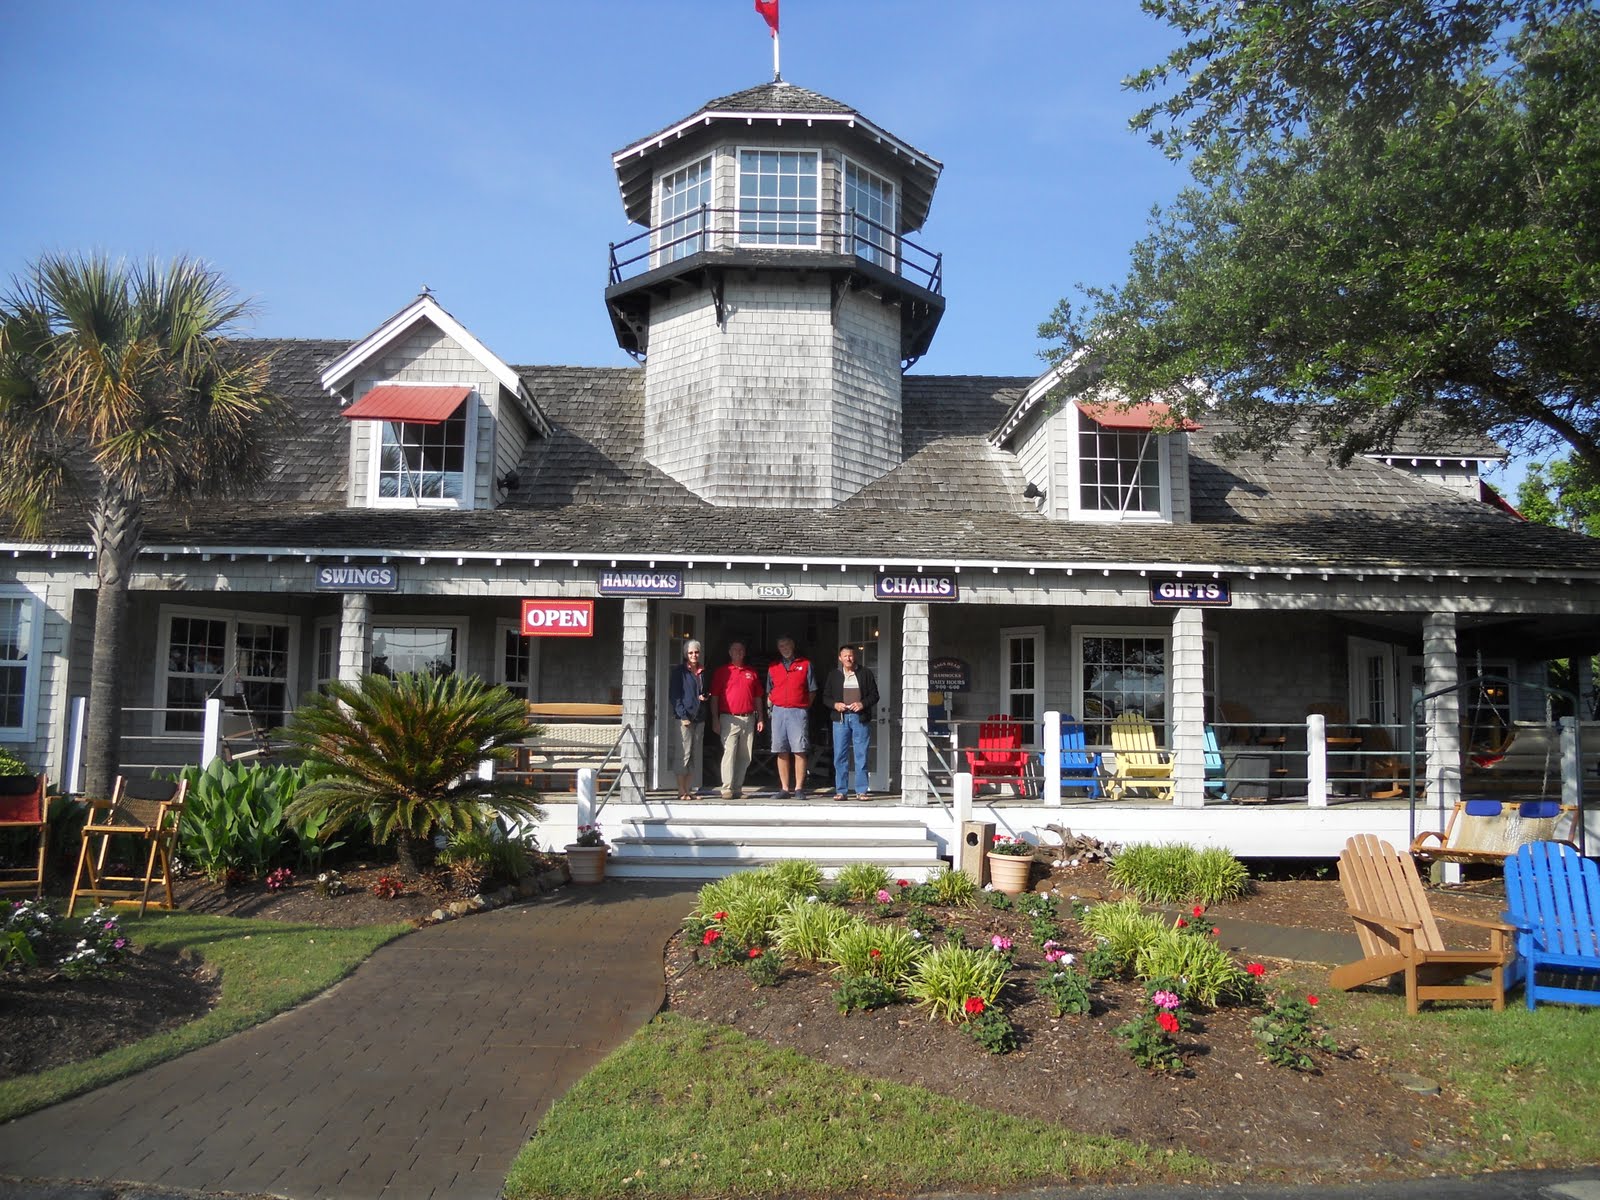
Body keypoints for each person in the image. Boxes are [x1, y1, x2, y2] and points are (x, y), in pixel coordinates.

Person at [822, 643, 879, 800]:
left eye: (851, 655)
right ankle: (841, 791)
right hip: (840, 719)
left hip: (859, 718)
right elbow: (825, 697)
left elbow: (875, 695)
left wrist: (862, 704)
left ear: (855, 657)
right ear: (840, 658)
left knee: (861, 754)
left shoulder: (865, 673)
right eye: (845, 655)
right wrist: (835, 705)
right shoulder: (834, 675)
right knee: (840, 755)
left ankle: (861, 791)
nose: (848, 658)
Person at [709, 640, 764, 799]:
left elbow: (758, 697)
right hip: (729, 718)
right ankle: (727, 788)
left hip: (749, 718)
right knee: (729, 752)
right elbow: (715, 697)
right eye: (735, 650)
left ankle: (738, 787)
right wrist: (715, 718)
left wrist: (760, 717)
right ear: (730, 652)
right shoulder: (722, 671)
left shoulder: (751, 672)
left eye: (741, 650)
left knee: (745, 755)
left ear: (744, 653)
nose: (738, 652)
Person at [765, 634, 816, 798]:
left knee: (799, 749)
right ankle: (785, 789)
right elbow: (769, 690)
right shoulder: (773, 667)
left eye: (787, 645)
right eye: (781, 646)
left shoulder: (805, 664)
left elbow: (812, 690)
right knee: (781, 749)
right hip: (779, 710)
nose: (784, 648)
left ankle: (799, 788)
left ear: (793, 645)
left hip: (798, 711)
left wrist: (804, 706)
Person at [668, 639, 708, 802]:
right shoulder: (679, 671)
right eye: (690, 652)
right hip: (684, 718)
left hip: (699, 717)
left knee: (693, 754)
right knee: (683, 754)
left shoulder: (703, 671)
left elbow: (706, 691)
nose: (694, 655)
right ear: (686, 654)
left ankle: (689, 790)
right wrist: (682, 715)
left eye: (696, 652)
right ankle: (681, 790)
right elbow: (675, 696)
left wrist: (705, 696)